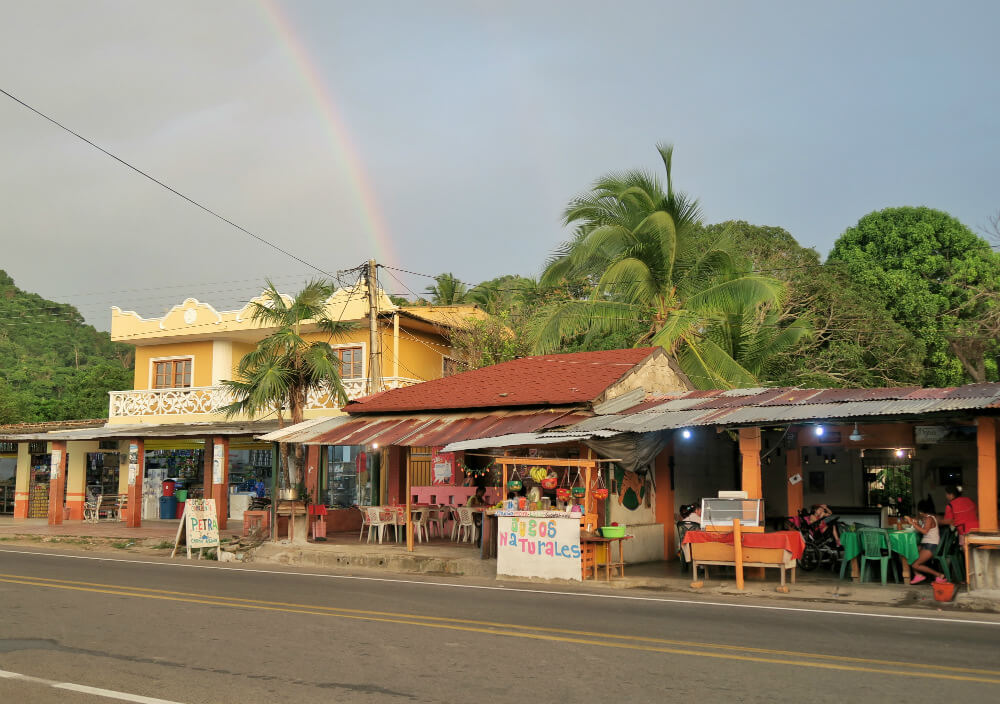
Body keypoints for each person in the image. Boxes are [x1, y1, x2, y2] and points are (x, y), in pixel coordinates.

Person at [906, 497, 946, 585]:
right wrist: (916, 523)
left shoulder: (929, 519)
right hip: (925, 544)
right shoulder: (927, 518)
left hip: (931, 546)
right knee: (910, 555)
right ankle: (918, 575)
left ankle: (939, 575)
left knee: (915, 564)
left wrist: (912, 523)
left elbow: (924, 531)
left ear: (921, 511)